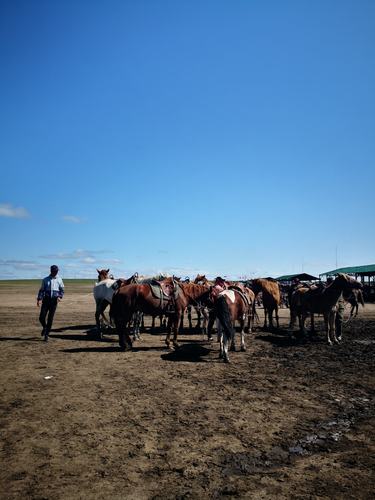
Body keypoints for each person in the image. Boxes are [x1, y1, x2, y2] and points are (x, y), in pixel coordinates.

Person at [37, 265, 64, 341]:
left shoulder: (59, 279)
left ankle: (47, 334)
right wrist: (39, 299)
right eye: (55, 271)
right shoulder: (45, 280)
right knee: (41, 317)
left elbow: (62, 291)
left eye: (57, 271)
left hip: (54, 301)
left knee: (50, 319)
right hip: (46, 301)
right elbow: (42, 290)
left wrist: (59, 296)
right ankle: (45, 328)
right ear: (51, 271)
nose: (56, 272)